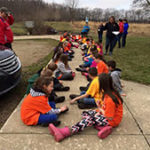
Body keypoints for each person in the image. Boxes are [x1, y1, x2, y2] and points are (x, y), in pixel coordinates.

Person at [49, 73, 123, 142]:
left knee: (90, 119)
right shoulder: (107, 92)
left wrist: (99, 109)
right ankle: (102, 127)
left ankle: (65, 132)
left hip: (112, 121)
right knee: (85, 113)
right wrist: (99, 106)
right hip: (105, 113)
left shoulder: (110, 99)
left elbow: (110, 117)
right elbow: (104, 105)